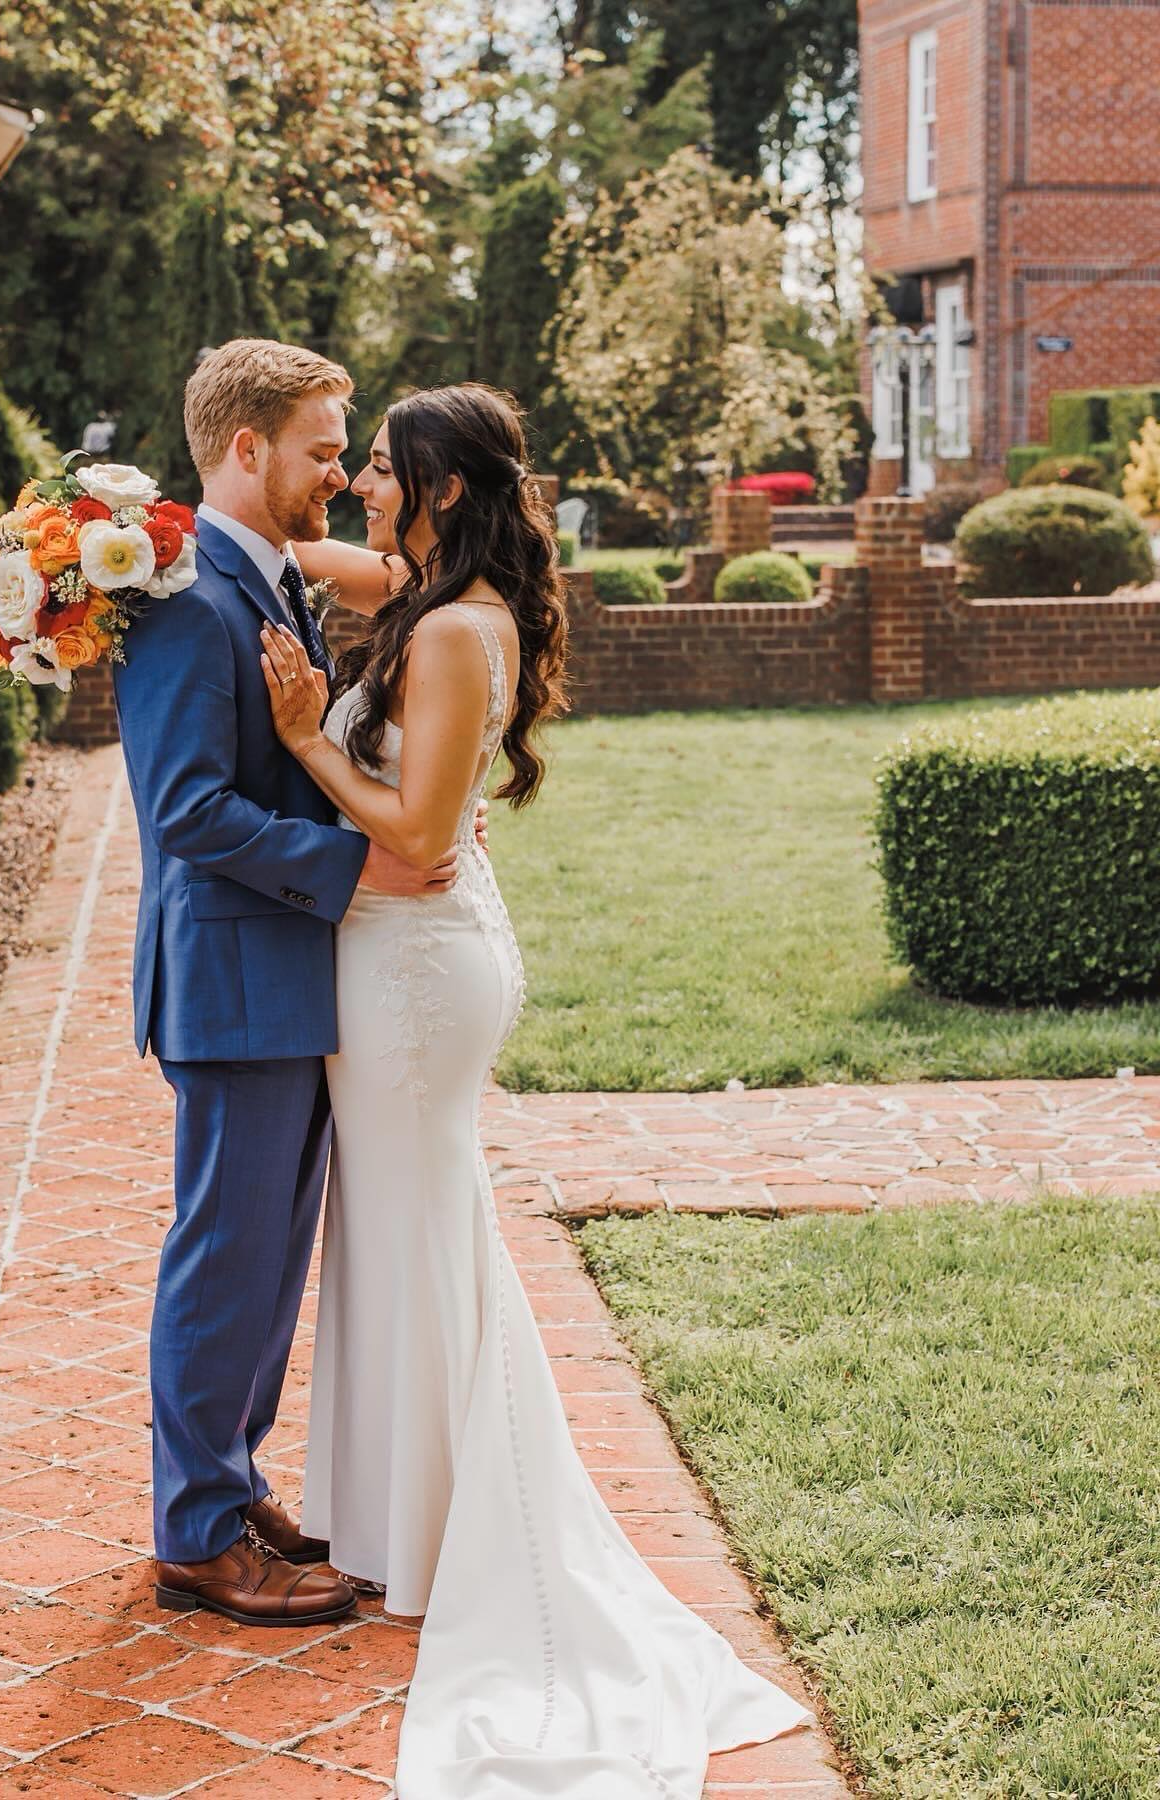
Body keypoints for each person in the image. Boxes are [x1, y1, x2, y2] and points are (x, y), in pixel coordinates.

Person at [261, 381, 813, 1796]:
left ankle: (450, 1530)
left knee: (421, 1228)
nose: (363, 485)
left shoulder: (449, 632)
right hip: (403, 970)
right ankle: (399, 1516)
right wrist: (229, 536)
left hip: (419, 973)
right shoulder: (444, 590)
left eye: (382, 470)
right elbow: (361, 567)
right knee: (397, 1229)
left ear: (441, 487)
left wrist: (313, 735)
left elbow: (423, 834)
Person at [110, 339, 475, 1627]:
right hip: (231, 981)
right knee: (226, 1256)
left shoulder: (265, 583)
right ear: (246, 447)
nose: (338, 468)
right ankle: (198, 1535)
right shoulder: (185, 603)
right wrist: (358, 866)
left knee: (269, 1265)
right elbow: (186, 811)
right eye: (324, 447)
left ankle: (228, 1476)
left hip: (289, 977)